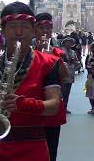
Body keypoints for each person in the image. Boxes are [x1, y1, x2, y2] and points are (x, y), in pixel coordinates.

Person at [0, 1, 62, 161]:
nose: (18, 32)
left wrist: (23, 104)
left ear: (33, 31)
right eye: (12, 26)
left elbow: (54, 106)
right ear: (3, 30)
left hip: (34, 148)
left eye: (24, 26)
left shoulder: (48, 63)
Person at [34, 12, 67, 161]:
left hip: (51, 107)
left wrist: (54, 59)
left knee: (50, 149)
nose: (45, 31)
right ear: (34, 29)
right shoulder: (26, 50)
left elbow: (65, 75)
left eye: (48, 27)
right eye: (41, 27)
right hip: (31, 105)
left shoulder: (57, 51)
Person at [61, 37, 78, 114]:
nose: (69, 44)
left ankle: (65, 107)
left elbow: (77, 62)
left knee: (67, 92)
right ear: (64, 43)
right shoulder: (61, 51)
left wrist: (76, 63)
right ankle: (60, 107)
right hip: (62, 74)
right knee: (62, 92)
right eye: (67, 42)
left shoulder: (73, 52)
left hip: (70, 74)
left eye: (70, 43)